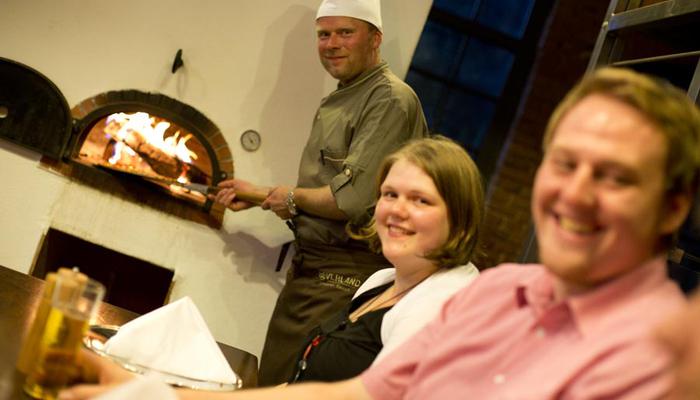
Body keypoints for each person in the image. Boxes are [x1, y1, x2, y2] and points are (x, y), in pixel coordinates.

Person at [60, 67, 700, 399]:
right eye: (565, 163)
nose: (578, 192)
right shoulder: (496, 296)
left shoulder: (668, 359)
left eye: (616, 177)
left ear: (673, 207)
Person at [213, 0, 428, 386]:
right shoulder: (344, 96)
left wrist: (286, 197)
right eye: (323, 34)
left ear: (375, 39)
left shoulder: (389, 99)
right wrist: (264, 195)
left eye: (345, 32)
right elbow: (325, 191)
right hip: (312, 271)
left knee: (293, 390)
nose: (331, 43)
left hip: (343, 275)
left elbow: (353, 200)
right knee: (274, 383)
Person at [289, 136, 481, 383]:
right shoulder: (381, 280)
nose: (397, 211)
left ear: (459, 217)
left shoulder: (443, 305)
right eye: (390, 194)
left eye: (420, 200)